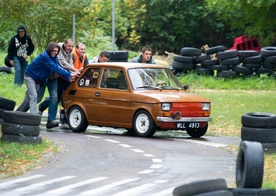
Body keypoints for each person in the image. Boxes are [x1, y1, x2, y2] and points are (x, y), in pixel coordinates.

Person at [16, 42, 78, 129]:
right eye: (53, 51)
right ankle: (33, 118)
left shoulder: (55, 57)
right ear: (49, 50)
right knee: (33, 96)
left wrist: (68, 76)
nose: (55, 52)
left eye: (56, 51)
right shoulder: (44, 57)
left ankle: (15, 114)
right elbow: (55, 67)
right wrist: (69, 74)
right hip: (30, 76)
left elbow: (57, 68)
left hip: (39, 80)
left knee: (34, 99)